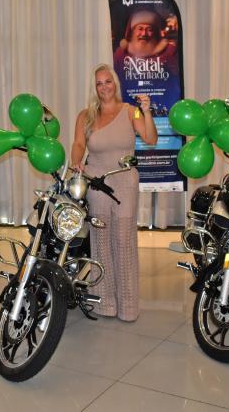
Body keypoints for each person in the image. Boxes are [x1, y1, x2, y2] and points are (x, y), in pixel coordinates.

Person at [70, 64, 157, 322]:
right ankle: (104, 303)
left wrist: (147, 111)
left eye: (108, 81)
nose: (104, 87)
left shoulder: (131, 112)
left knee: (124, 241)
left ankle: (128, 306)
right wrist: (76, 161)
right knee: (100, 243)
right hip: (96, 182)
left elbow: (150, 138)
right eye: (99, 83)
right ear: (94, 88)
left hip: (124, 182)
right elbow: (78, 144)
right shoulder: (85, 116)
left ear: (115, 84)